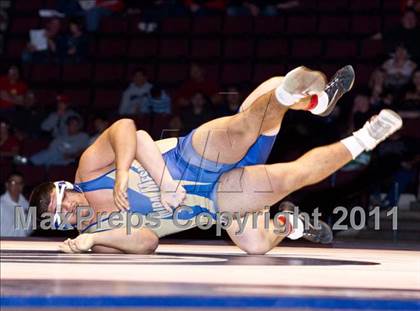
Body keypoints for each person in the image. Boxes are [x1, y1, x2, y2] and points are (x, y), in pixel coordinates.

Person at [28, 65, 403, 255]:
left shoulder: (89, 171)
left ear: (68, 188)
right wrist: (93, 237)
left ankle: (314, 99)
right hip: (214, 198)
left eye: (67, 206)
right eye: (64, 221)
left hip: (190, 161)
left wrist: (127, 175)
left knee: (250, 120)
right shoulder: (96, 234)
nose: (73, 216)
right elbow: (145, 241)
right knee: (261, 234)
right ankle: (361, 140)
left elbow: (129, 129)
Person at [0, 172, 32, 237]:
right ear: (7, 185)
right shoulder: (1, 204)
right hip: (4, 245)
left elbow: (28, 230)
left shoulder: (27, 204)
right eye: (13, 183)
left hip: (22, 245)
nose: (17, 186)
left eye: (20, 183)